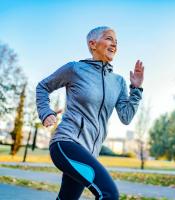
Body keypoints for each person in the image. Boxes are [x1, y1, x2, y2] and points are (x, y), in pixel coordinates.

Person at [36, 26, 144, 200]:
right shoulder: (75, 69)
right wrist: (45, 112)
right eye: (109, 39)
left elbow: (126, 117)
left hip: (89, 152)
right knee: (109, 194)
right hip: (66, 142)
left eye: (116, 42)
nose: (114, 44)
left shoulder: (118, 82)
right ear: (92, 44)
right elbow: (43, 86)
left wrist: (136, 89)